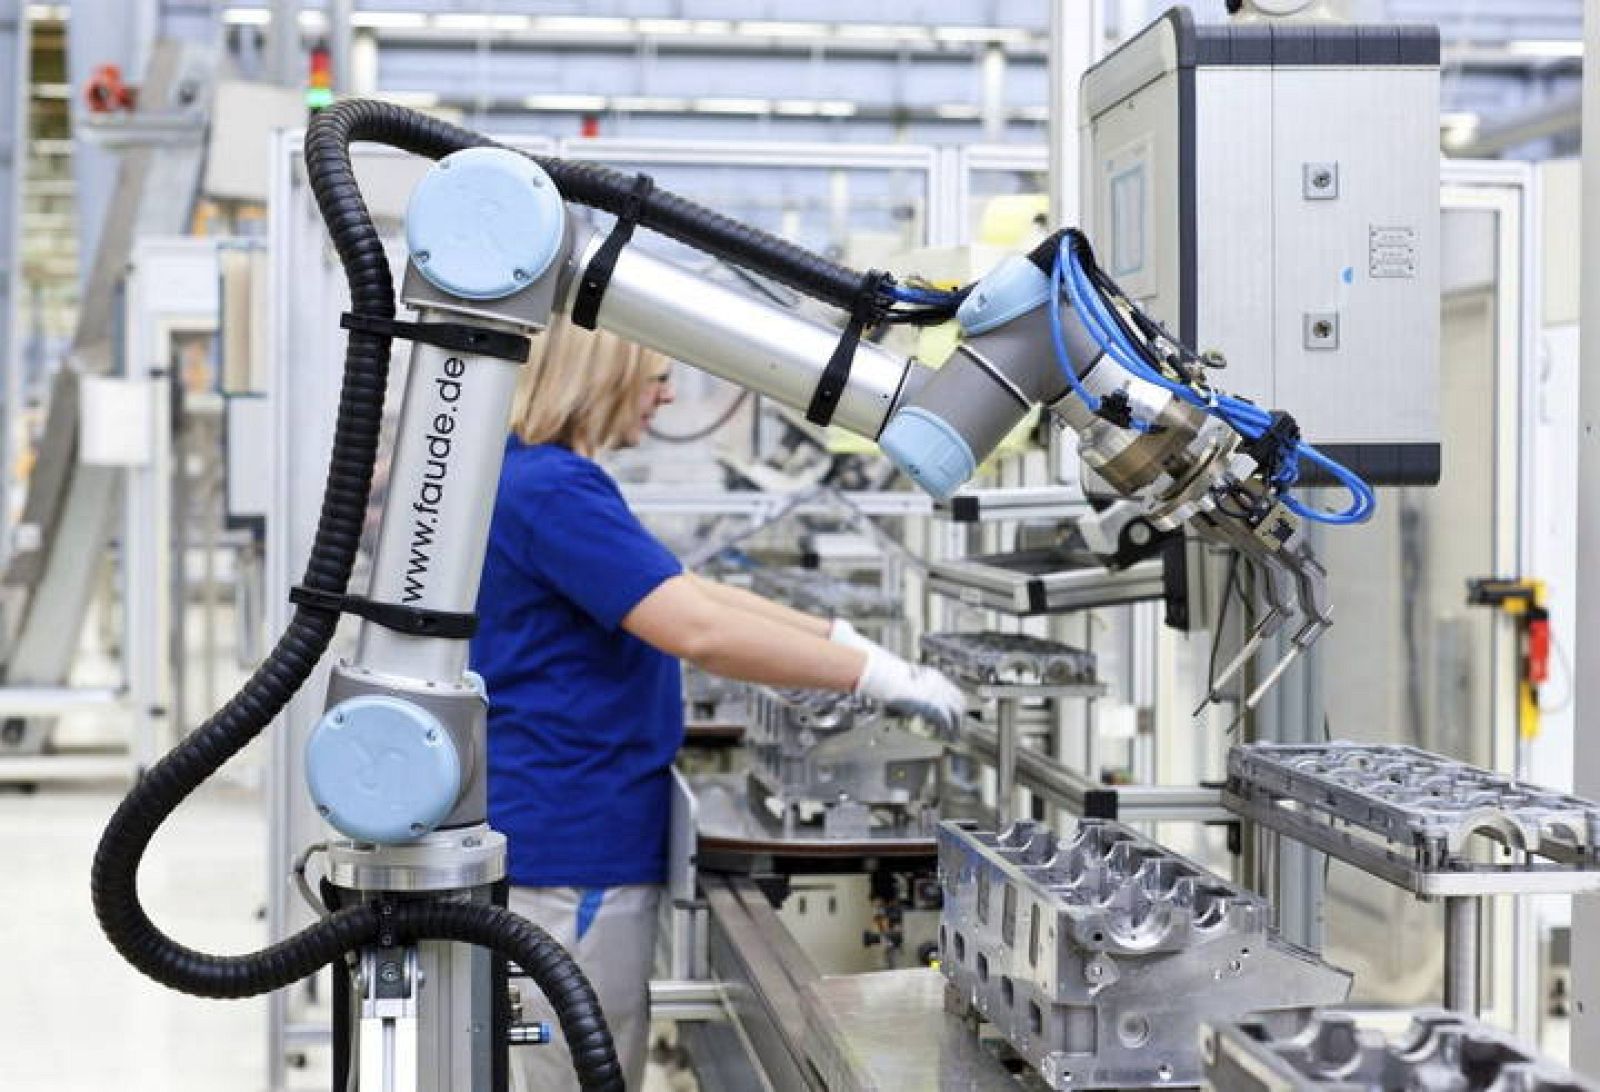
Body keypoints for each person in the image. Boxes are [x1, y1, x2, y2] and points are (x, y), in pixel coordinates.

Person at [470, 315, 965, 1090]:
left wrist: (848, 643)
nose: (668, 394)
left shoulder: (537, 475)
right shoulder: (555, 488)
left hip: (564, 836)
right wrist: (873, 681)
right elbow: (696, 630)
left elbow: (689, 591)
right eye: (656, 374)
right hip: (571, 851)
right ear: (599, 374)